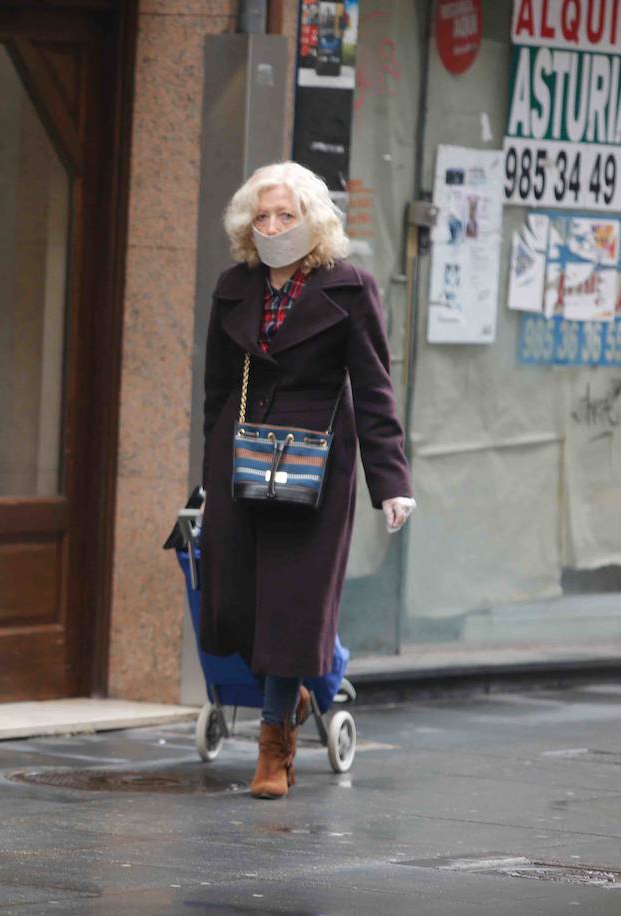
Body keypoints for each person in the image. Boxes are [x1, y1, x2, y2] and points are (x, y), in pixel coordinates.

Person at [199, 161, 415, 800]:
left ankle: (274, 750)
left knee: (289, 610)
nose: (271, 226)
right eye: (261, 216)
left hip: (315, 467)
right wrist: (210, 469)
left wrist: (391, 481)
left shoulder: (349, 288)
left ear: (313, 221)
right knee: (231, 603)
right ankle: (303, 685)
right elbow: (217, 389)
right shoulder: (235, 286)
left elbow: (374, 390)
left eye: (285, 215)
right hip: (240, 461)